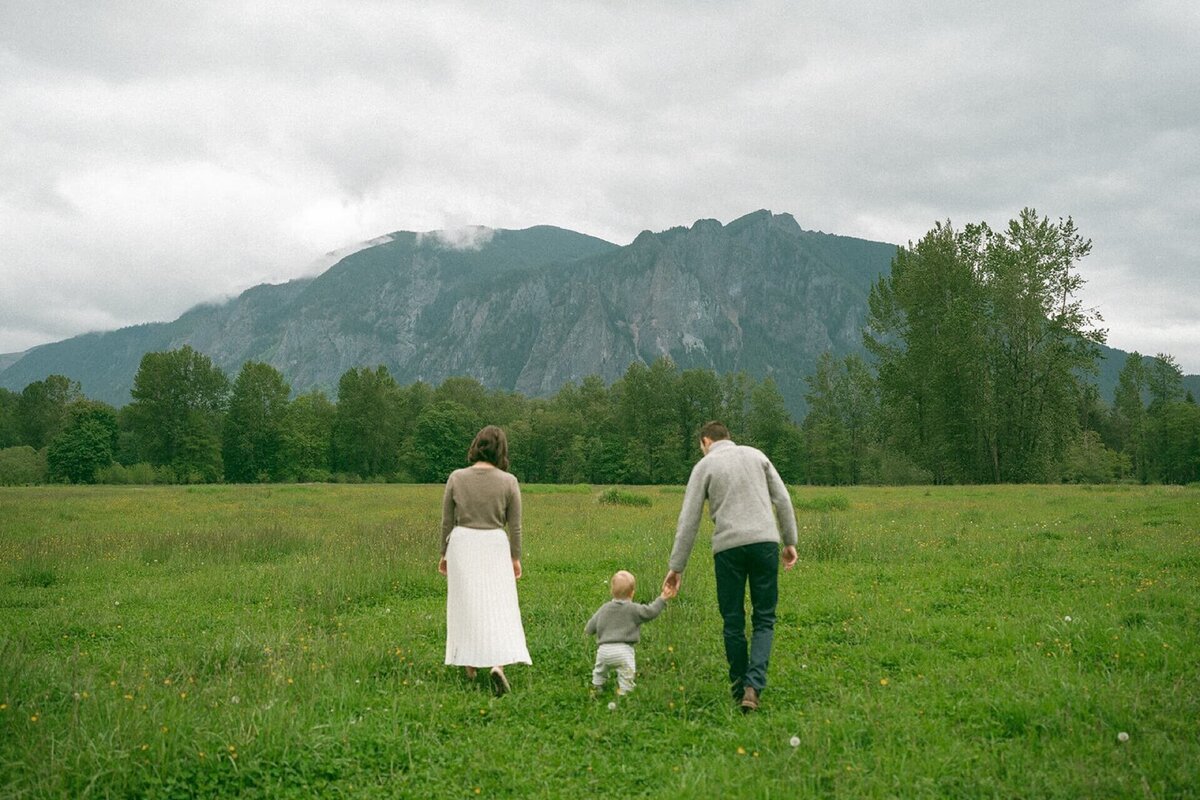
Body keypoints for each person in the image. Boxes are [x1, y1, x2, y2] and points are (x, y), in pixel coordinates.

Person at [662, 421, 798, 712]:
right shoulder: (757, 456)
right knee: (764, 618)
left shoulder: (705, 466)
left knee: (733, 619)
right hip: (764, 544)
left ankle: (739, 687)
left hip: (728, 549)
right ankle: (754, 686)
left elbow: (689, 520)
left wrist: (677, 567)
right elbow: (783, 500)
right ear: (729, 438)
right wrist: (789, 542)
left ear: (705, 441)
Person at [439, 425, 530, 696]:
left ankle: (470, 667)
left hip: (463, 543)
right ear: (502, 451)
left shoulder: (456, 478)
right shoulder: (509, 481)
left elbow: (446, 521)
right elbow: (515, 527)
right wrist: (515, 557)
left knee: (465, 603)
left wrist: (443, 554)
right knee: (498, 605)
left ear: (476, 445)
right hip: (494, 543)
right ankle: (497, 664)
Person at [584, 570, 676, 696]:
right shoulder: (633, 609)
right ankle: (624, 694)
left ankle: (597, 686)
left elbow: (591, 626)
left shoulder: (604, 608)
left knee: (599, 671)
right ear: (632, 593)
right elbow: (651, 612)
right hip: (623, 651)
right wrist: (663, 598)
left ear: (611, 591)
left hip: (604, 650)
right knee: (627, 674)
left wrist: (588, 631)